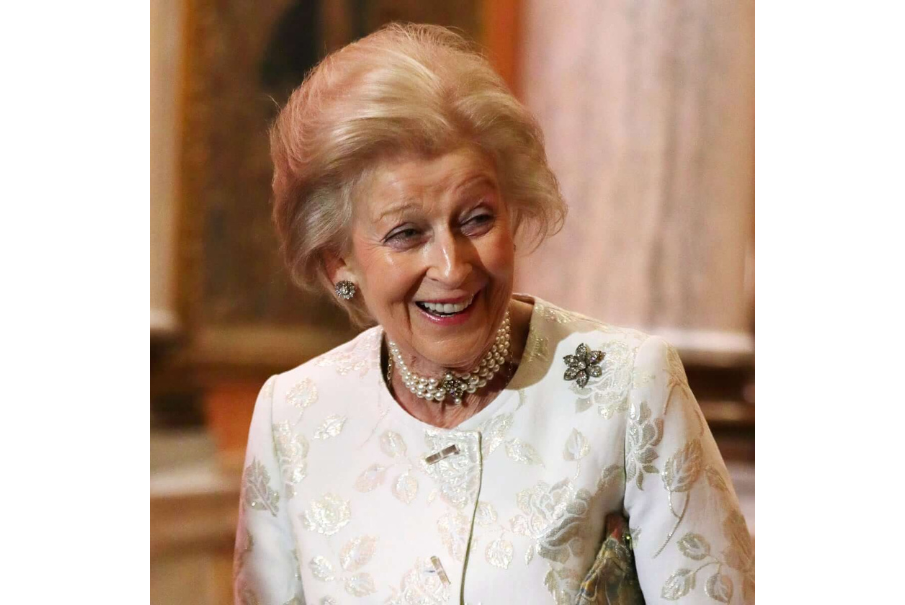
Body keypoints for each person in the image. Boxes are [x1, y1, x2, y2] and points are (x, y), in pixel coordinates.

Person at [234, 23, 753, 605]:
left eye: (476, 219)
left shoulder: (629, 388)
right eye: (406, 234)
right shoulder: (293, 416)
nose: (453, 268)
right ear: (338, 263)